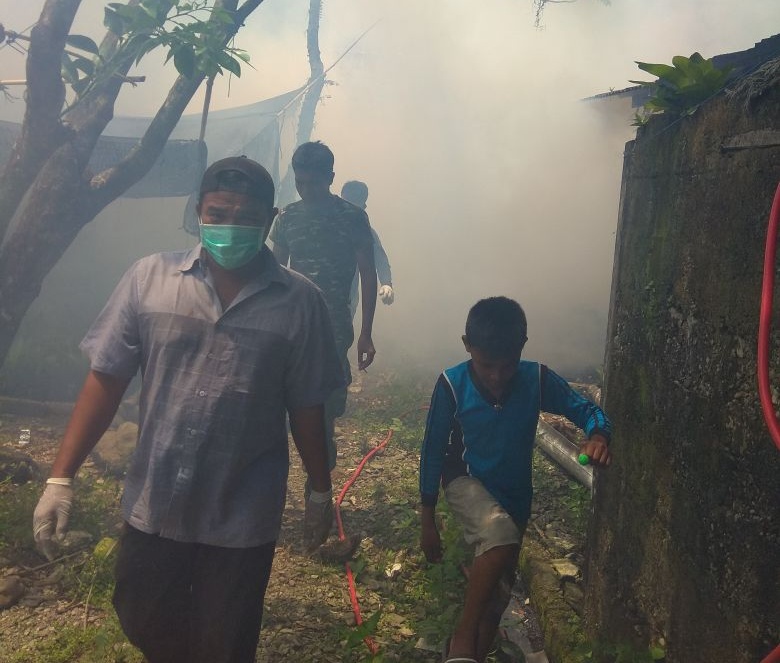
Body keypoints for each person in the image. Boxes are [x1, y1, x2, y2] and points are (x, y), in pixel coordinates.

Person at [32, 156, 343, 663]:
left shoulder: (298, 302)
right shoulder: (148, 280)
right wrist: (60, 478)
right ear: (197, 210)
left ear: (270, 221)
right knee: (142, 616)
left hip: (242, 509)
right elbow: (106, 378)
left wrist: (319, 489)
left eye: (245, 218)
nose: (229, 228)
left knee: (225, 641)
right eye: (217, 214)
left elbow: (308, 405)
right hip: (156, 501)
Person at [418, 296, 612, 663]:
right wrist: (427, 519)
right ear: (467, 346)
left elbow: (587, 410)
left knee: (498, 593)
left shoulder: (535, 379)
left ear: (522, 348)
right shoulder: (451, 385)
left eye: (506, 366)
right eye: (486, 364)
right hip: (465, 480)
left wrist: (598, 437)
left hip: (515, 495)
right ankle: (462, 639)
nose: (495, 376)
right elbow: (431, 452)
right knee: (499, 535)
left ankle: (471, 653)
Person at [270, 141, 377, 475]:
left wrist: (366, 334)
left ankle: (319, 477)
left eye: (313, 183)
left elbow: (367, 275)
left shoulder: (352, 217)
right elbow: (274, 274)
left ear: (330, 177)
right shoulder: (287, 218)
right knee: (289, 397)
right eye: (300, 182)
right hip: (292, 325)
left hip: (334, 326)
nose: (306, 190)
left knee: (325, 407)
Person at [340, 180, 394, 320]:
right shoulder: (324, 225)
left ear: (363, 207)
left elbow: (380, 260)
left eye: (355, 205)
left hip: (347, 302)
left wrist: (386, 284)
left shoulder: (366, 232)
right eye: (346, 203)